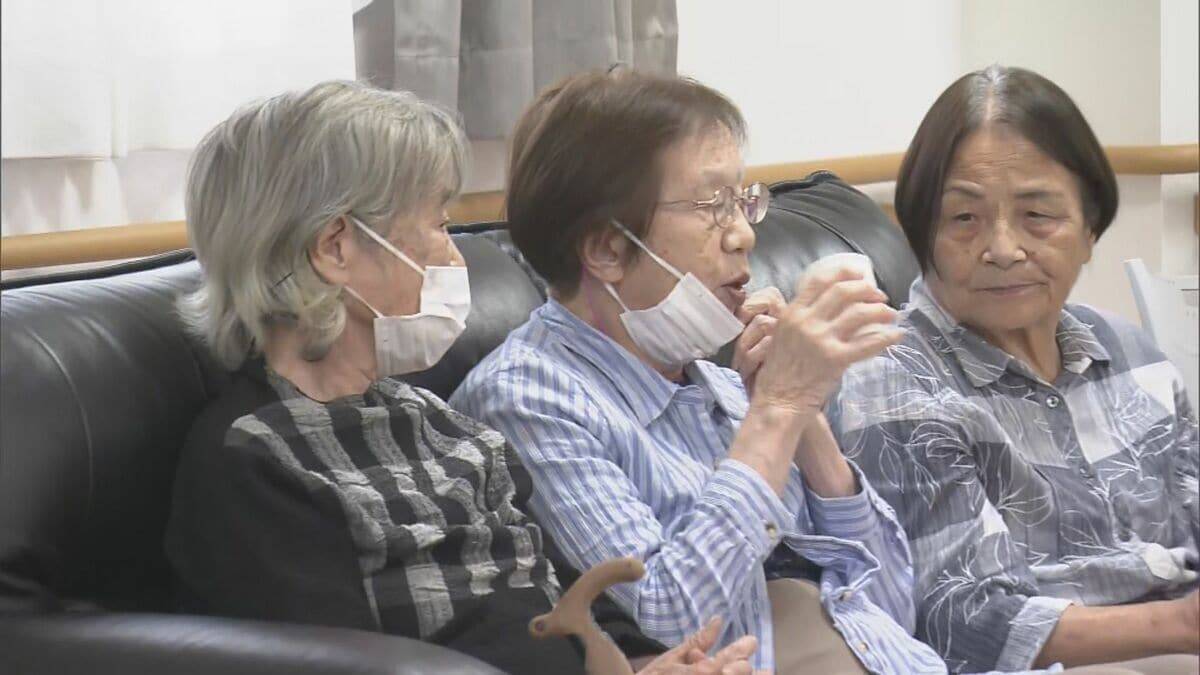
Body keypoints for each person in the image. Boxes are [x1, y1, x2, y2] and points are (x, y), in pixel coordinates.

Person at [163, 79, 759, 675]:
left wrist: (648, 662)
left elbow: (560, 585)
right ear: (336, 249)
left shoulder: (432, 417)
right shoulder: (256, 458)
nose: (455, 257)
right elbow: (340, 664)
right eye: (439, 224)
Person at [450, 68, 949, 674]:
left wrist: (807, 426)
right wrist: (779, 413)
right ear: (607, 249)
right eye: (713, 206)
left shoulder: (727, 385)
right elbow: (672, 617)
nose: (743, 235)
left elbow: (896, 609)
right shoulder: (526, 399)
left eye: (742, 201)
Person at [827, 65, 1200, 675]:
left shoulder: (1127, 350)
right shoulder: (889, 375)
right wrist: (1181, 627)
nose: (1002, 249)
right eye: (964, 219)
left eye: (1037, 215)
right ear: (921, 235)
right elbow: (958, 619)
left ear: (1090, 228)